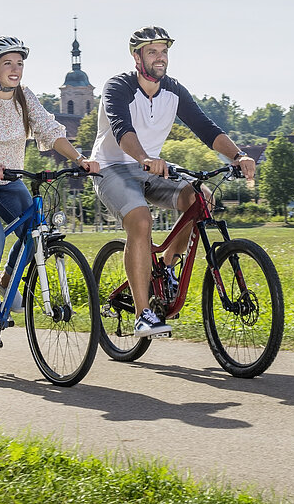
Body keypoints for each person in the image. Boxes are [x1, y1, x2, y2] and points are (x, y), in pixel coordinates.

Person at [89, 25, 256, 337]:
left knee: (201, 197)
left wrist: (238, 155)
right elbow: (122, 130)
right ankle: (142, 315)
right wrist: (143, 159)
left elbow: (205, 128)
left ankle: (165, 266)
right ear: (137, 57)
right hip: (113, 167)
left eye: (164, 51)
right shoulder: (118, 86)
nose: (160, 57)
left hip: (153, 166)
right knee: (140, 221)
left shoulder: (173, 90)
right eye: (152, 51)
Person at [0, 36, 99, 346]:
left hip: (8, 180)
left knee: (37, 230)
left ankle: (6, 280)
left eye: (19, 63)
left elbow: (48, 127)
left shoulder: (24, 97)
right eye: (8, 63)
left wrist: (80, 159)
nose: (15, 69)